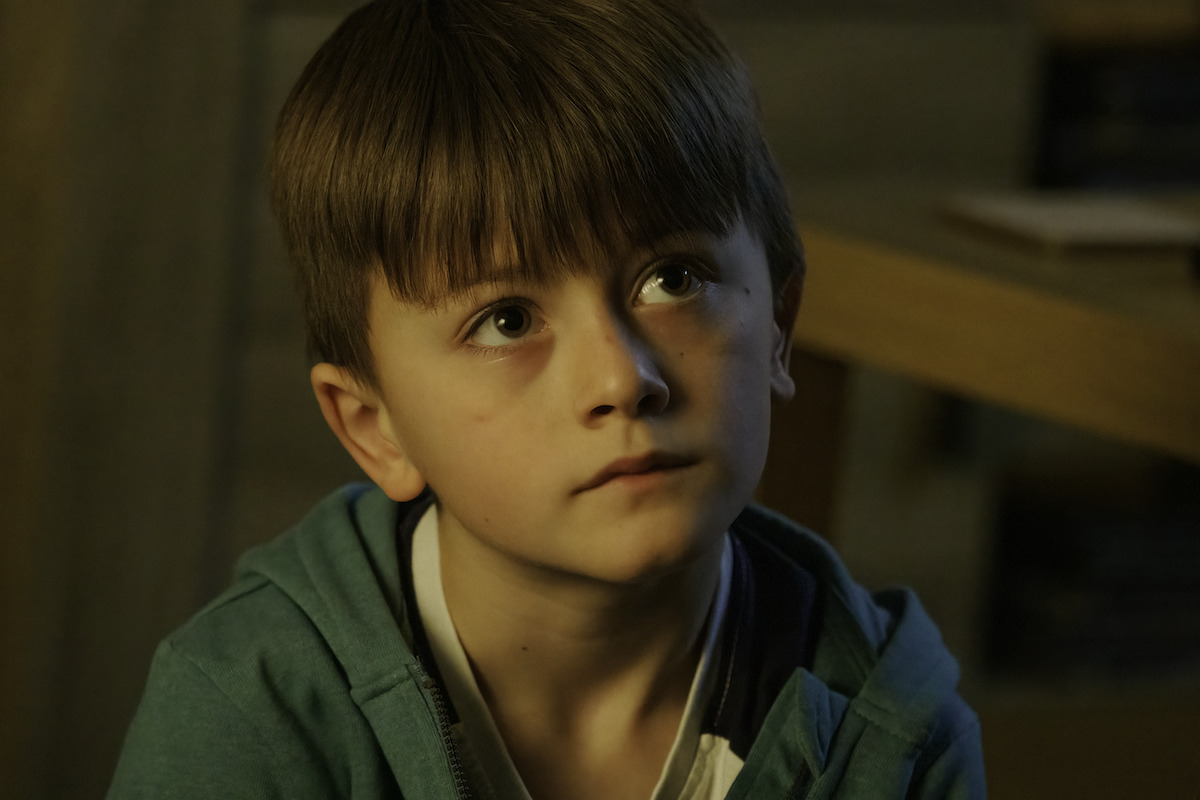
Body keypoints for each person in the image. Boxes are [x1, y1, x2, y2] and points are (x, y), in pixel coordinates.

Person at [108, 0, 985, 797]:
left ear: (781, 331)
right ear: (376, 428)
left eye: (672, 279)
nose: (621, 380)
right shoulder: (247, 719)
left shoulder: (896, 742)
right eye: (505, 320)